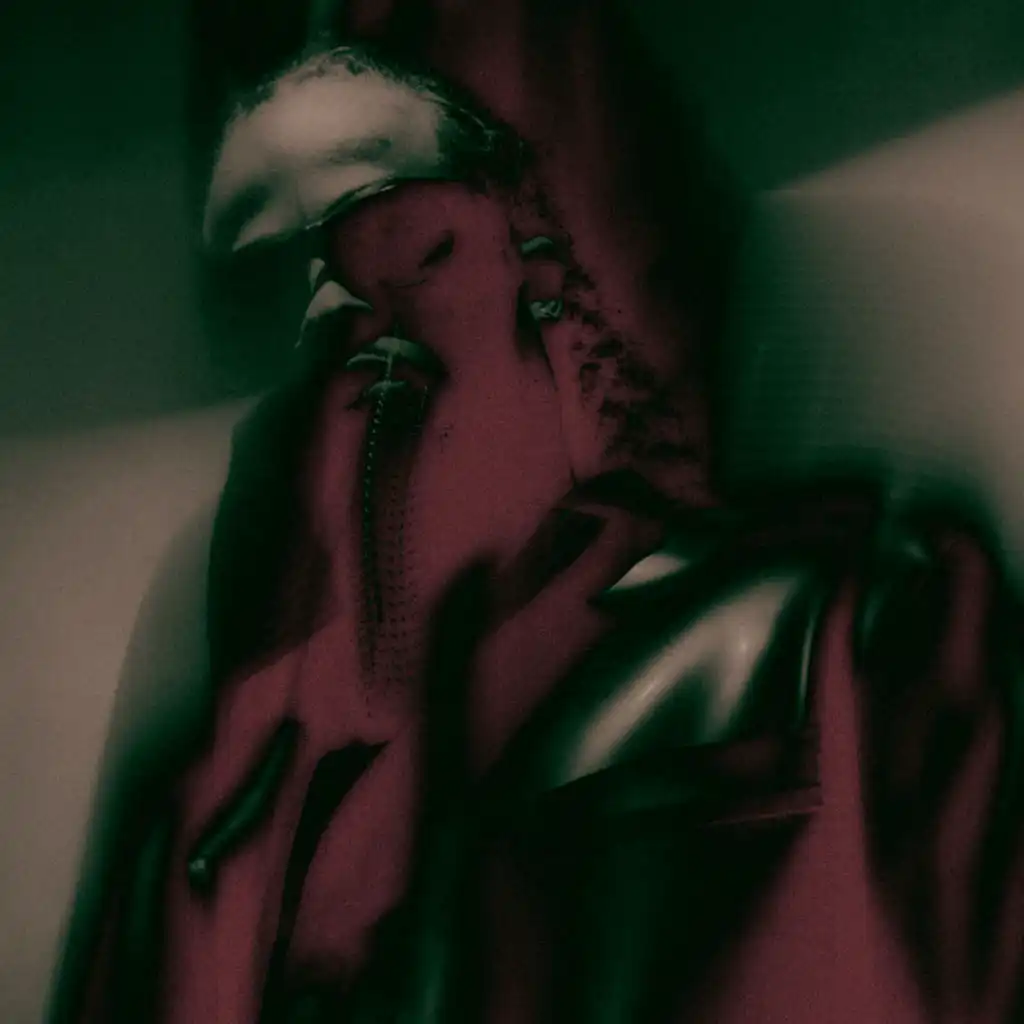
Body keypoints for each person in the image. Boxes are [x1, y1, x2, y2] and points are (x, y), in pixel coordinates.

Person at [56, 26, 1023, 1024]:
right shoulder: (198, 836)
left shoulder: (832, 641)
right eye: (266, 292)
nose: (335, 318)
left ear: (534, 261)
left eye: (404, 240)